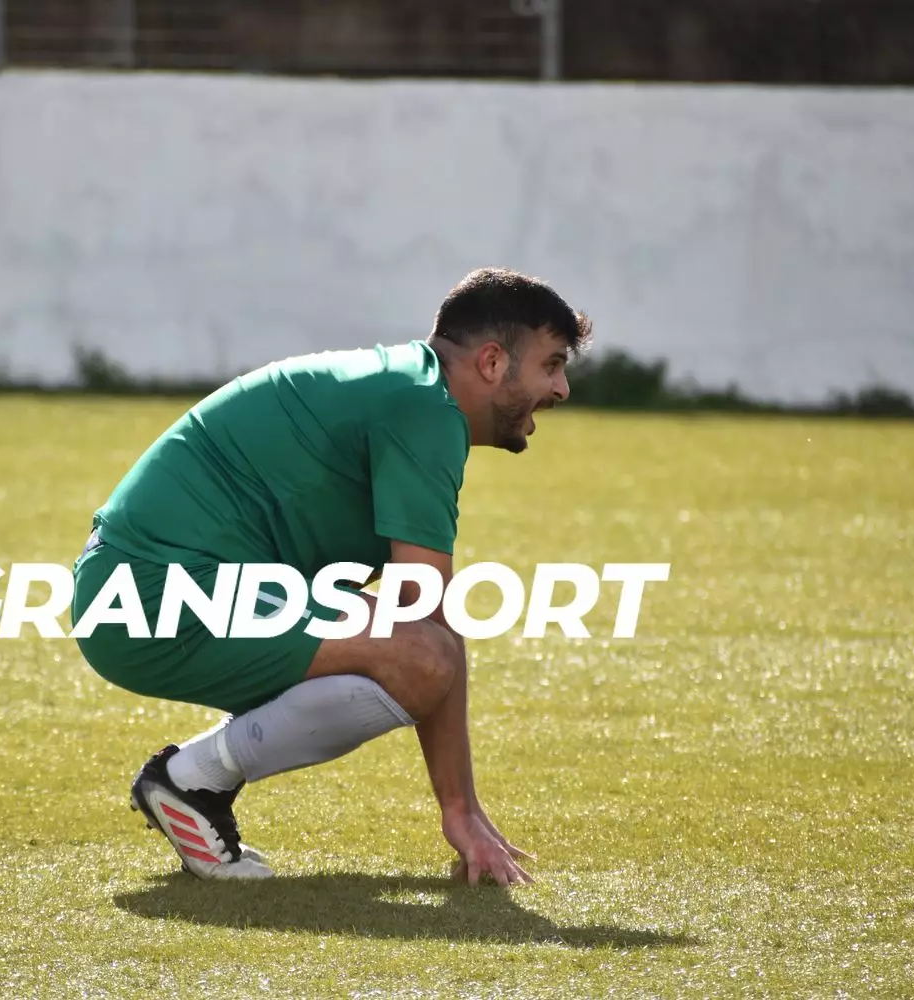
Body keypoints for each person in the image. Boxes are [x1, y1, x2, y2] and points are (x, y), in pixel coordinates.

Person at [69, 267, 592, 886]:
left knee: (421, 650)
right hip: (150, 590)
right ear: (492, 361)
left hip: (144, 584)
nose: (561, 388)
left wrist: (463, 807)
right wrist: (459, 810)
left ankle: (195, 782)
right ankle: (189, 781)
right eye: (551, 364)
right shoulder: (423, 407)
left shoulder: (413, 390)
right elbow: (427, 627)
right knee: (420, 654)